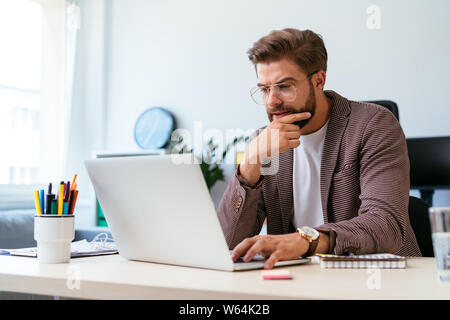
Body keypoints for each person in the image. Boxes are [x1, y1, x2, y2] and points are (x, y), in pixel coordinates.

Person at [217, 28, 421, 269]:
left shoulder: (373, 125)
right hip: (298, 280)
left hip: (381, 278)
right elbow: (226, 245)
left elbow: (385, 225)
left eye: (284, 86)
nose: (272, 101)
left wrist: (305, 240)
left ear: (318, 80)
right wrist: (250, 163)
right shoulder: (264, 142)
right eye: (264, 89)